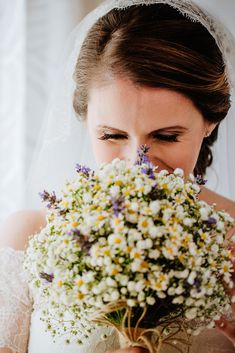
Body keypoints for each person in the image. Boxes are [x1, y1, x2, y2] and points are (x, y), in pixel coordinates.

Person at [0, 1, 235, 353]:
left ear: (209, 122)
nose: (138, 163)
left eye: (167, 136)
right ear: (85, 121)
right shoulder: (27, 241)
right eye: (112, 135)